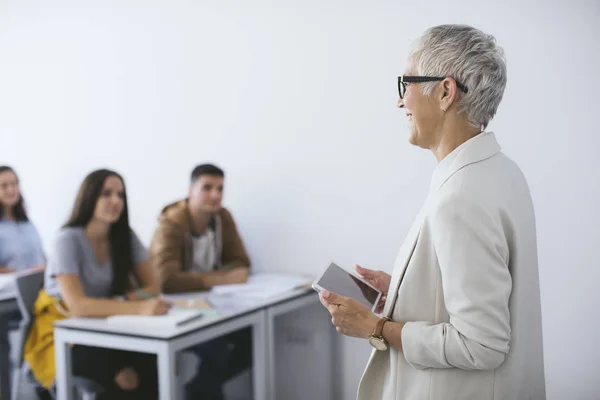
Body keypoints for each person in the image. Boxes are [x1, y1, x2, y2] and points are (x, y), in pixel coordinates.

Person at [318, 25, 545, 400]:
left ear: (444, 92)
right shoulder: (501, 172)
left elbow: (482, 344)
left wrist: (376, 328)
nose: (399, 102)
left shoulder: (461, 196)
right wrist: (405, 292)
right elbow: (486, 292)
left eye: (404, 84)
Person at [25, 169, 170, 400]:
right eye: (107, 194)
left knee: (153, 366)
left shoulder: (124, 236)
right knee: (125, 377)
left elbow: (153, 286)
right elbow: (79, 307)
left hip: (105, 324)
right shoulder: (67, 240)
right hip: (65, 334)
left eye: (120, 195)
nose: (116, 201)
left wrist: (124, 301)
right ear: (89, 197)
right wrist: (139, 307)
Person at [150, 163, 252, 400]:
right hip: (176, 310)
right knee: (216, 349)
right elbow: (166, 279)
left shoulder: (222, 218)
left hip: (211, 305)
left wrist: (213, 279)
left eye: (220, 188)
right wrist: (222, 279)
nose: (215, 195)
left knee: (252, 340)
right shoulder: (171, 223)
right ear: (190, 191)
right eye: (207, 188)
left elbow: (241, 262)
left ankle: (196, 391)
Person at [0, 166, 45, 273]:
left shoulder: (27, 223)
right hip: (10, 287)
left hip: (39, 285)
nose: (10, 189)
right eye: (4, 185)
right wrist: (25, 272)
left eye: (14, 184)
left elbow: (42, 256)